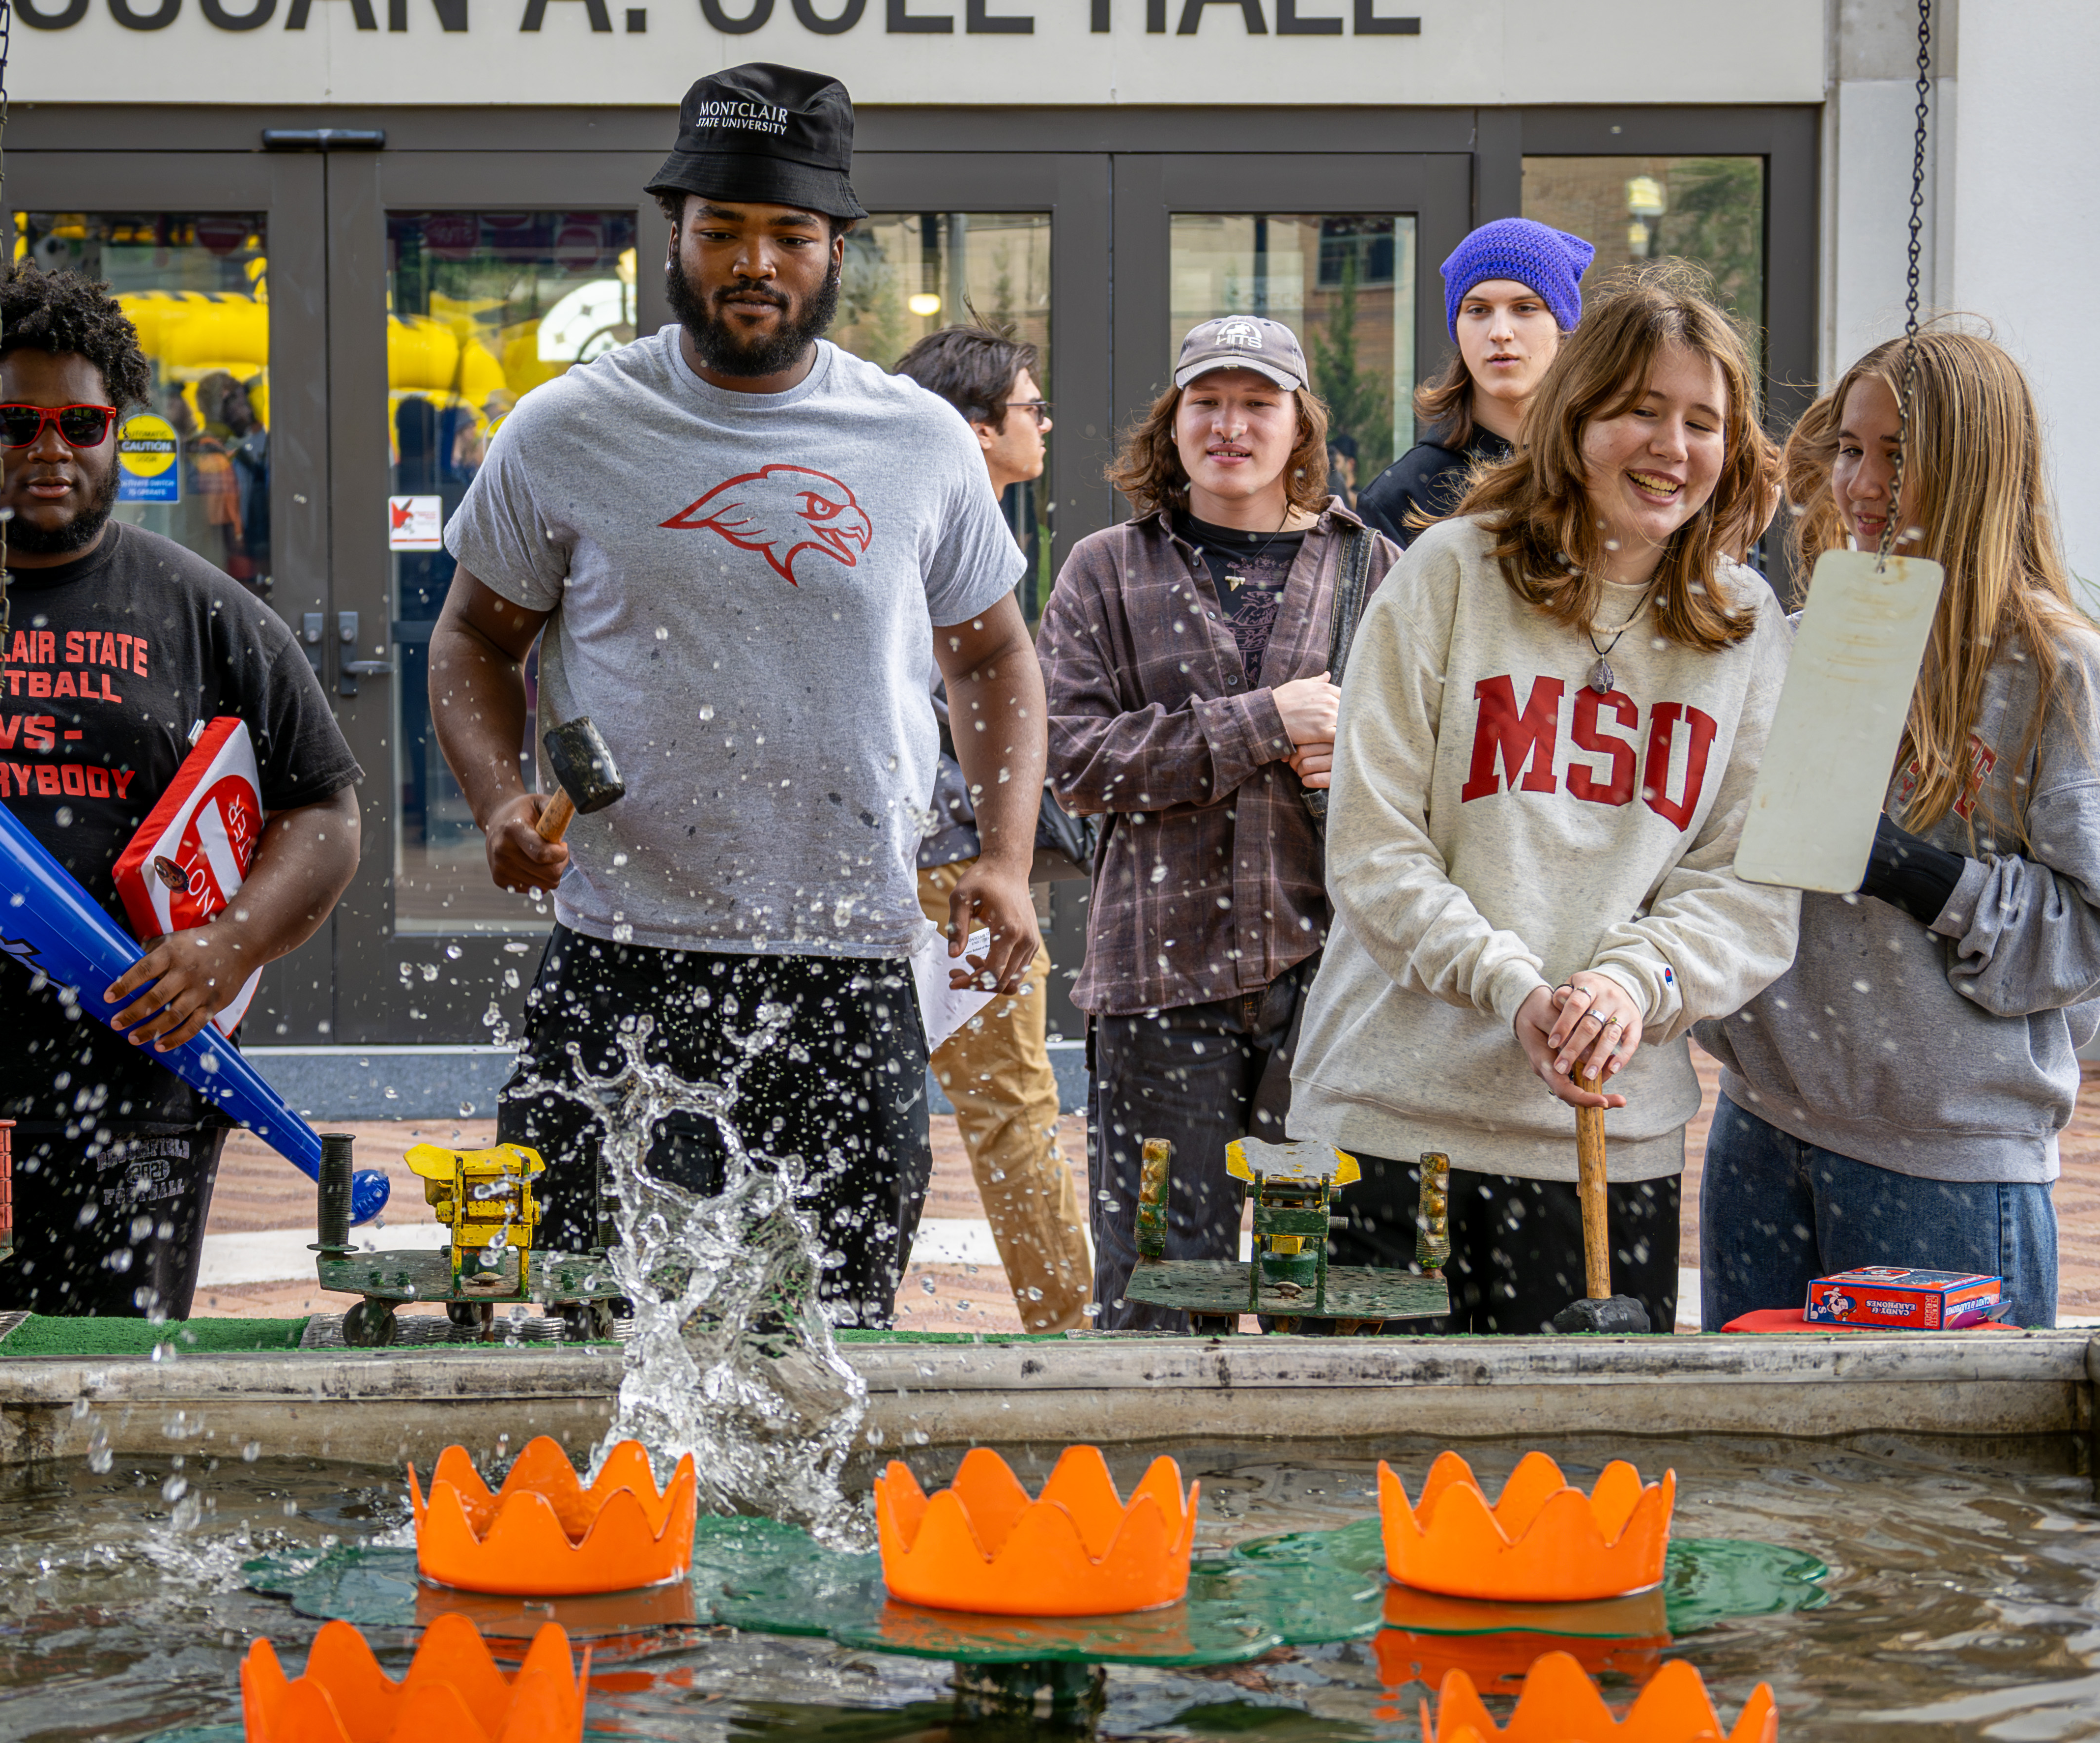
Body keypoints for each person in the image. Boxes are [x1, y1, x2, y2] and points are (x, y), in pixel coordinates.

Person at [430, 63, 1046, 1329]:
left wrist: (1006, 855)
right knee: (583, 1333)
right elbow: (473, 642)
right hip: (619, 963)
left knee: (830, 1353)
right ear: (674, 236)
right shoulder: (565, 427)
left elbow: (990, 656)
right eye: (720, 229)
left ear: (835, 253)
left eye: (788, 235)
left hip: (851, 966)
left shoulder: (919, 438)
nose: (752, 261)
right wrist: (498, 802)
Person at [0, 266, 362, 1320]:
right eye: (17, 421)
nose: (50, 450)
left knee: (116, 1394)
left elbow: (324, 809)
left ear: (118, 433)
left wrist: (233, 944)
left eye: (82, 423)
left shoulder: (205, 609)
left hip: (134, 1091)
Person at [1287, 269, 1795, 1335]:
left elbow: (1750, 890)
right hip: (1387, 1125)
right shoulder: (1448, 574)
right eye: (1641, 411)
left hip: (1607, 1154)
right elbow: (1375, 848)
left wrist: (1631, 987)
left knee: (1573, 1492)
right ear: (1575, 418)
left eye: (1703, 422)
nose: (1673, 447)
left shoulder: (1747, 626)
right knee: (1353, 1487)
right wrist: (1513, 987)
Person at [1696, 331, 2100, 1330]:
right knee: (1754, 1475)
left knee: (1932, 1483)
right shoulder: (1796, 646)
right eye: (1849, 448)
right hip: (1760, 1128)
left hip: (1947, 1166)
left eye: (1899, 453)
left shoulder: (2059, 672)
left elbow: (2091, 939)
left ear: (1974, 464)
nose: (1863, 482)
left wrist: (1911, 872)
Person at [1040, 316, 1399, 1332]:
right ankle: (1160, 1487)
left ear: (1301, 428)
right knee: (1160, 1296)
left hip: (1334, 983)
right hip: (1159, 980)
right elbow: (1072, 761)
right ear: (1174, 422)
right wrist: (1267, 721)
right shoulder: (1104, 570)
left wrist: (1361, 753)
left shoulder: (1376, 571)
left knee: (1322, 1299)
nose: (1229, 426)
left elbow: (1440, 763)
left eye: (1257, 404)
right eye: (1207, 402)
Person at [893, 320, 1093, 1335]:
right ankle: (1069, 1337)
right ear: (974, 433)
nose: (1045, 424)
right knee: (1013, 1110)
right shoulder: (948, 534)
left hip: (920, 876)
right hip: (955, 882)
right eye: (1030, 406)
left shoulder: (906, 520)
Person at [1356, 219, 1593, 550]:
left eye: (1524, 308)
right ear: (1457, 327)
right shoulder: (1403, 494)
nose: (1500, 332)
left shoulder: (1600, 466)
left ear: (1564, 326)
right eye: (1478, 310)